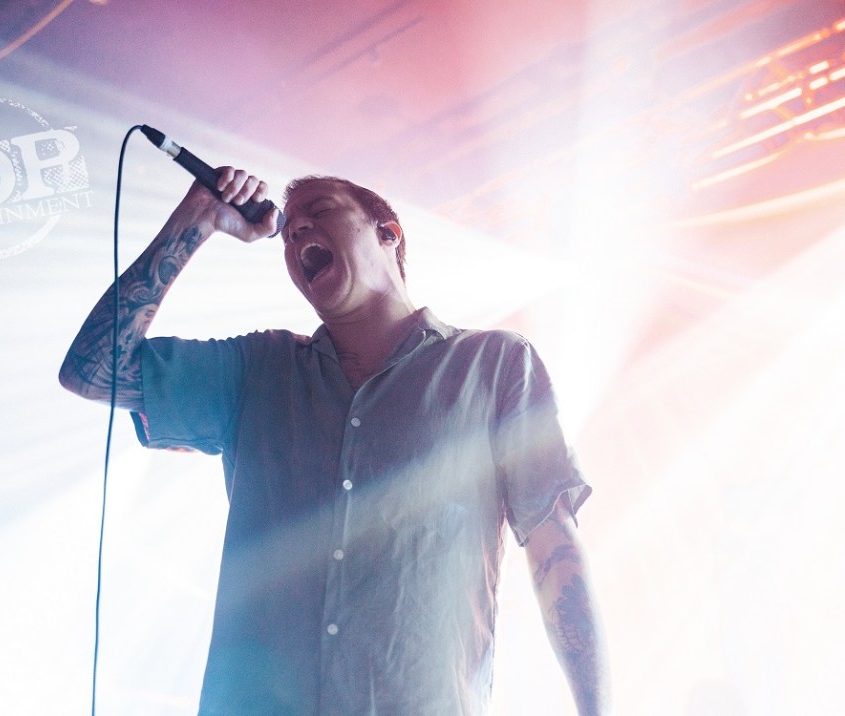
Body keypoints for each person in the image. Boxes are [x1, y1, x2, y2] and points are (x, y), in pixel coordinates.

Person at [59, 167, 611, 715]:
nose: (297, 231)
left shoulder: (493, 364)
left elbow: (555, 551)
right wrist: (197, 216)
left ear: (388, 233)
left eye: (320, 212)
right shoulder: (259, 368)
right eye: (290, 230)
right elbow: (91, 371)